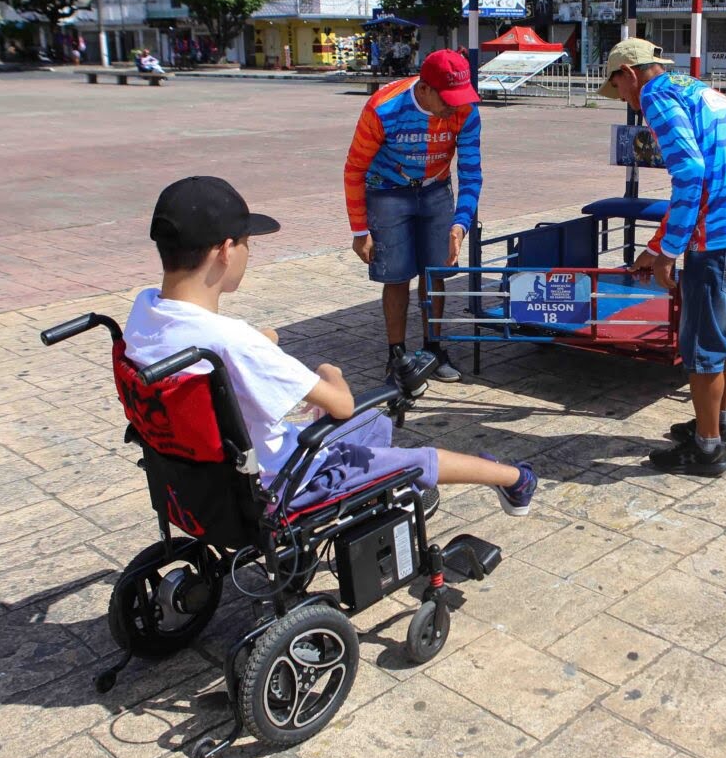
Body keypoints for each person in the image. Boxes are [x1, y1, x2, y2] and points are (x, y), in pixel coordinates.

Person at [124, 176, 537, 516]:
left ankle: (372, 495)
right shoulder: (236, 344)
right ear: (225, 250)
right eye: (249, 241)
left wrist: (262, 343)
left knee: (373, 425)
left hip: (203, 483)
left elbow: (225, 352)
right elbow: (337, 404)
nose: (250, 251)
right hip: (285, 485)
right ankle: (513, 480)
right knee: (408, 453)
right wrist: (328, 372)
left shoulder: (145, 313)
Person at [599, 39, 726, 478]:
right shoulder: (700, 90)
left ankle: (707, 450)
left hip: (721, 234)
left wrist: (664, 250)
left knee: (702, 347)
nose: (627, 101)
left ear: (628, 73)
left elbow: (691, 174)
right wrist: (662, 246)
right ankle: (716, 422)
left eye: (620, 90)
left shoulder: (656, 95)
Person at [345, 50, 483, 383]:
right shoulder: (383, 108)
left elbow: (471, 172)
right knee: (396, 275)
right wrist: (360, 230)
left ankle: (432, 349)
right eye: (447, 98)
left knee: (434, 273)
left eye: (460, 97)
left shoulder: (465, 110)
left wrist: (460, 223)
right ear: (424, 89)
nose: (455, 106)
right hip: (387, 192)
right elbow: (354, 169)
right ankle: (397, 355)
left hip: (436, 191)